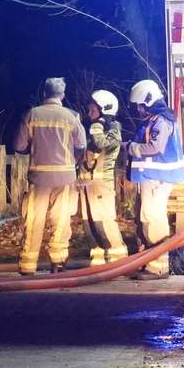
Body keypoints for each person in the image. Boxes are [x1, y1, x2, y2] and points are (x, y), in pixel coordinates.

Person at [13, 77, 86, 275]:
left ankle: (28, 265)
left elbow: (19, 146)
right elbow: (81, 145)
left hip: (39, 177)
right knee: (62, 220)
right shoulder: (72, 116)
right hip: (65, 177)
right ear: (62, 95)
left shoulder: (33, 114)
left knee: (34, 220)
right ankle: (58, 262)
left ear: (44, 93)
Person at [126, 79, 184, 280]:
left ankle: (158, 266)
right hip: (152, 177)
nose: (138, 109)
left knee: (154, 218)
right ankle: (150, 261)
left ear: (148, 101)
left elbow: (155, 148)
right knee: (146, 217)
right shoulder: (156, 119)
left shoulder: (161, 121)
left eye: (140, 105)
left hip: (158, 179)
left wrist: (131, 147)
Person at [79, 89, 128, 267]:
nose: (89, 113)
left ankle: (118, 259)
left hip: (102, 184)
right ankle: (98, 259)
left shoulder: (113, 129)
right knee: (90, 223)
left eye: (93, 110)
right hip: (87, 183)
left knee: (105, 221)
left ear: (104, 110)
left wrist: (97, 126)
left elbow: (104, 145)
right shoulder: (94, 129)